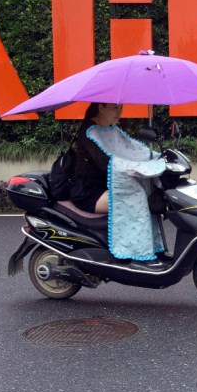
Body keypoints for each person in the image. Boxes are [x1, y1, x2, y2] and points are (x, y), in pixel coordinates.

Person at [69, 102, 165, 269]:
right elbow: (107, 162)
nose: (119, 112)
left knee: (148, 193)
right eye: (115, 107)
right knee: (136, 199)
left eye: (121, 108)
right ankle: (137, 255)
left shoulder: (111, 129)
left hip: (106, 185)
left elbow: (133, 149)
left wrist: (158, 157)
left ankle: (151, 249)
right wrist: (136, 166)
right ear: (101, 107)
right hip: (87, 191)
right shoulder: (89, 131)